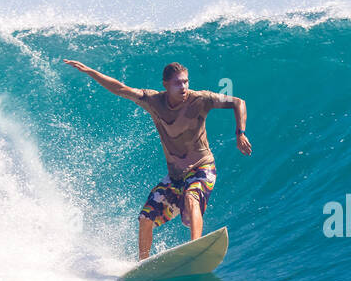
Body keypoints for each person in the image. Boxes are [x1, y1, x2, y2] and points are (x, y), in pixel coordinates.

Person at [63, 60, 251, 259]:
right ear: (166, 85)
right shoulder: (153, 101)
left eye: (186, 82)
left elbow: (238, 102)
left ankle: (196, 247)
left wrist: (240, 133)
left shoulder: (200, 99)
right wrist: (91, 71)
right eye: (178, 83)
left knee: (191, 197)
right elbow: (120, 89)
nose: (184, 87)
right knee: (145, 218)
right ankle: (143, 263)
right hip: (175, 177)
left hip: (202, 167)